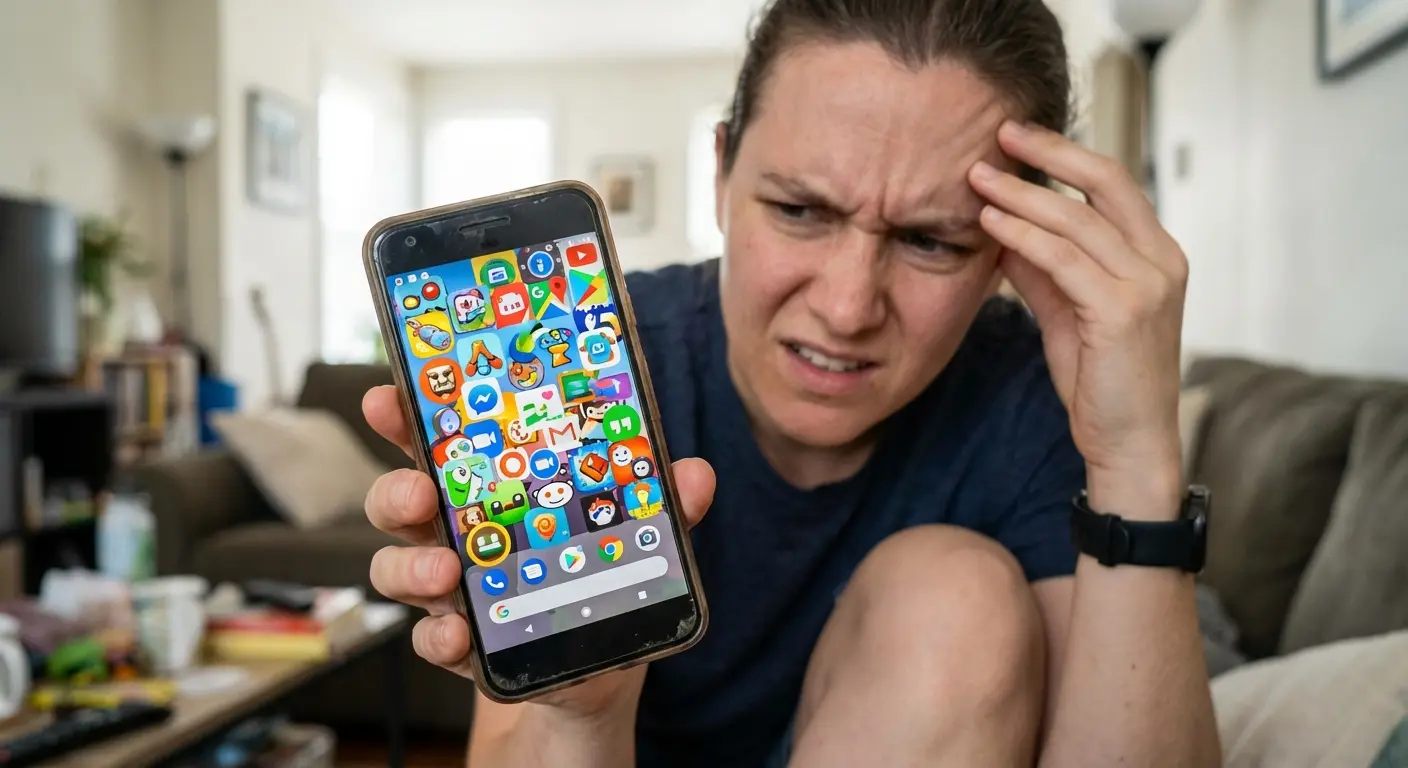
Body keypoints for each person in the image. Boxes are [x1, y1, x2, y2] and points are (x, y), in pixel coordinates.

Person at [361, 0, 1221, 765]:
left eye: (932, 241)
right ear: (722, 174)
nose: (847, 308)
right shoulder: (592, 364)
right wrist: (585, 713)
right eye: (800, 211)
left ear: (1008, 251)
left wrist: (1137, 457)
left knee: (955, 596)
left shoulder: (1033, 390)